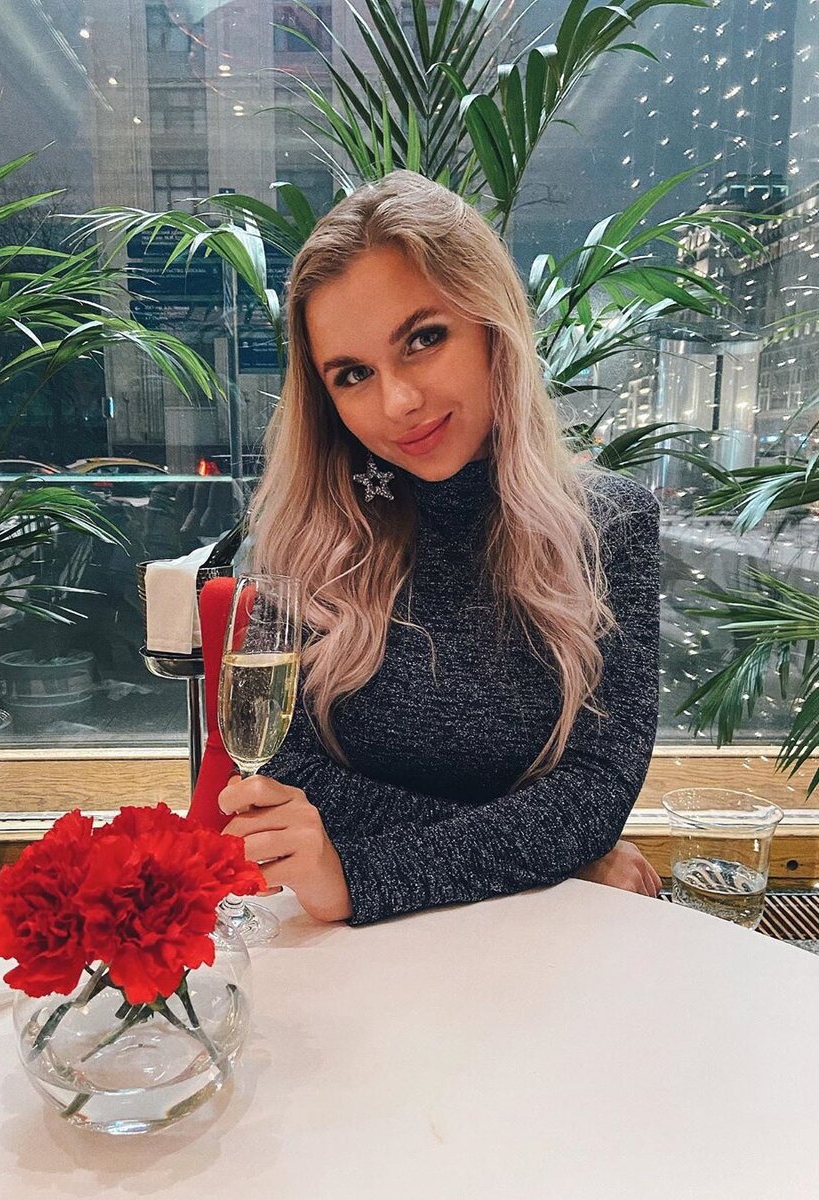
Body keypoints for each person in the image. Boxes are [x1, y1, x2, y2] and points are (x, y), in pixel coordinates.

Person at [219, 170, 662, 924]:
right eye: (353, 374)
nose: (398, 402)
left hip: (537, 938)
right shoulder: (306, 540)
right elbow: (289, 779)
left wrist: (362, 874)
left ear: (492, 325)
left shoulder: (609, 524)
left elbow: (595, 792)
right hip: (359, 950)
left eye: (423, 339)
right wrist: (555, 851)